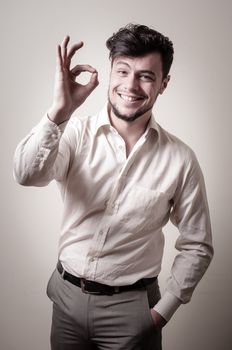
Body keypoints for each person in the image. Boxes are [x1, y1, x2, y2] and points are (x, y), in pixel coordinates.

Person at [13, 23, 213, 350]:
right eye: (122, 71)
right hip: (65, 298)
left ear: (164, 83)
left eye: (146, 76)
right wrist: (59, 112)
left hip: (132, 308)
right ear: (110, 73)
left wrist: (161, 314)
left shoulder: (181, 159)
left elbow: (197, 244)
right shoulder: (74, 133)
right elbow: (26, 174)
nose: (130, 85)